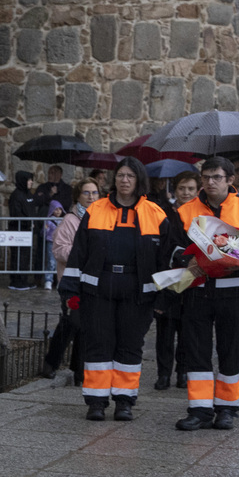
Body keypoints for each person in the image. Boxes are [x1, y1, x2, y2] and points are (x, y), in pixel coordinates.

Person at [59, 157, 170, 421]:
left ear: (139, 180)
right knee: (98, 344)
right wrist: (71, 292)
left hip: (137, 291)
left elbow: (165, 260)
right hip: (98, 289)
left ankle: (124, 401)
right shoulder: (95, 210)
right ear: (114, 179)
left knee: (130, 346)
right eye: (121, 175)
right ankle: (96, 402)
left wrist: (164, 296)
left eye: (131, 176)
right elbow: (78, 255)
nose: (124, 180)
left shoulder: (156, 214)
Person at [170, 156, 239, 430]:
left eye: (217, 177)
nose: (210, 182)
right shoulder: (185, 211)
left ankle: (227, 408)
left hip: (235, 291)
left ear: (231, 180)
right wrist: (185, 261)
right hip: (197, 288)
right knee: (196, 350)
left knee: (231, 349)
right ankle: (199, 409)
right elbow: (171, 248)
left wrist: (233, 256)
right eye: (206, 177)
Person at [43, 179, 101, 379]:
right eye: (87, 193)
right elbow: (59, 250)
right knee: (71, 322)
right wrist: (83, 253)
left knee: (87, 324)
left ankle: (79, 368)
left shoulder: (101, 218)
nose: (91, 197)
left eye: (94, 193)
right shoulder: (70, 220)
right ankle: (51, 362)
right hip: (72, 282)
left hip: (92, 280)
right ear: (78, 196)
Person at [153, 170, 199, 390]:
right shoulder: (165, 214)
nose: (186, 193)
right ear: (175, 189)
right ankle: (163, 374)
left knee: (187, 330)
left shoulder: (201, 215)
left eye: (190, 189)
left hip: (192, 278)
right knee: (165, 329)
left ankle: (182, 372)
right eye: (182, 188)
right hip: (169, 276)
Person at [8, 171, 41, 289]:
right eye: (29, 180)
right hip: (18, 231)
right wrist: (28, 223)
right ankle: (16, 281)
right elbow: (16, 213)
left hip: (27, 231)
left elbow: (32, 210)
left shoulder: (28, 194)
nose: (31, 182)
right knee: (18, 256)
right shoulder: (16, 195)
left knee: (26, 256)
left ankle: (24, 279)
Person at [42, 199, 65, 290]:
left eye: (60, 209)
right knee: (51, 262)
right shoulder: (48, 220)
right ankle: (48, 280)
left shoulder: (64, 220)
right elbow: (44, 231)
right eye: (56, 209)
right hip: (51, 242)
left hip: (61, 243)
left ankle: (60, 281)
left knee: (61, 262)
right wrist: (46, 230)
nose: (58, 211)